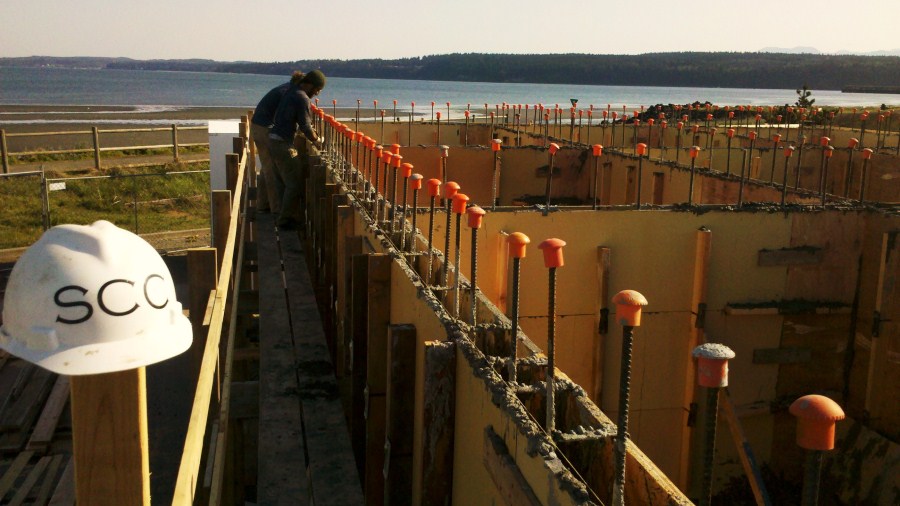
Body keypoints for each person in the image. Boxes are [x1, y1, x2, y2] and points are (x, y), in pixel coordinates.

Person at [268, 70, 325, 230]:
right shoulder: (302, 97)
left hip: (273, 140)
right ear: (311, 85)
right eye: (317, 89)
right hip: (283, 144)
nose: (317, 93)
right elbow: (306, 126)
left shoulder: (291, 91)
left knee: (282, 182)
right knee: (294, 183)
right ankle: (285, 221)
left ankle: (281, 216)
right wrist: (317, 140)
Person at [250, 71, 303, 214]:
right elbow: (285, 117)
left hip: (260, 126)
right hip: (264, 129)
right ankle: (276, 210)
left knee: (267, 166)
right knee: (272, 170)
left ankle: (263, 204)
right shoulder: (288, 93)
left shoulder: (286, 89)